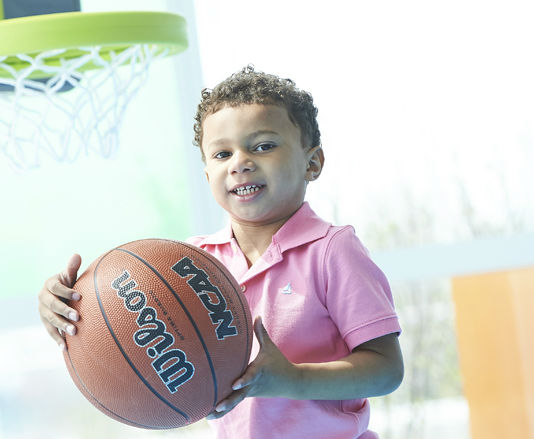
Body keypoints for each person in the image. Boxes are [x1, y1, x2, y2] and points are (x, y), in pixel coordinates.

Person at [38, 66, 404, 438]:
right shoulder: (188, 262)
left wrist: (292, 379)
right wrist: (70, 310)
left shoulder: (331, 250)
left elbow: (386, 370)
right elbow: (119, 328)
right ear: (206, 173)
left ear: (313, 162)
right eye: (222, 153)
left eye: (263, 146)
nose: (240, 162)